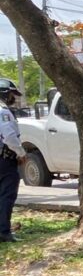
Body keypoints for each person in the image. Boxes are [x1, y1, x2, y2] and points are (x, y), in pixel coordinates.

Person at [0, 80, 26, 243]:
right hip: (4, 160)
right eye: (11, 94)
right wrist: (21, 152)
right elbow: (8, 135)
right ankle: (3, 231)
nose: (13, 98)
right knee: (6, 196)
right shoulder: (3, 111)